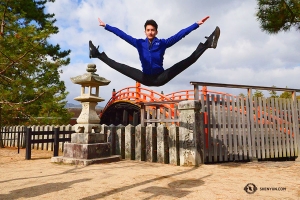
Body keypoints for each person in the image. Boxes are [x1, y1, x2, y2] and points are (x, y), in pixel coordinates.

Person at [89, 16, 220, 86]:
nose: (150, 32)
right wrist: (106, 26)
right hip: (145, 78)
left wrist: (196, 24)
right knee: (120, 67)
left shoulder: (162, 43)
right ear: (145, 32)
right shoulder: (139, 43)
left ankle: (208, 43)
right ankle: (96, 54)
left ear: (156, 31)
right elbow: (122, 35)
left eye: (153, 30)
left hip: (160, 78)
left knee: (186, 62)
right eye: (148, 30)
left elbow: (180, 35)